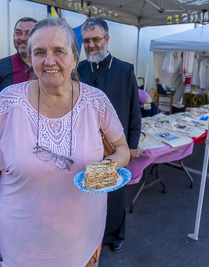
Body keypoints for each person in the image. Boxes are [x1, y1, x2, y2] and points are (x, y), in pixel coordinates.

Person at [0, 17, 130, 266]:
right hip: (18, 247)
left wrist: (107, 167)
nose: (49, 61)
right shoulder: (7, 102)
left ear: (74, 58)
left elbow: (122, 149)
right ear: (30, 59)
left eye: (59, 51)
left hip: (82, 242)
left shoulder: (96, 101)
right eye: (39, 52)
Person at [77, 17, 141, 253]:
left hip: (115, 147)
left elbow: (135, 109)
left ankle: (114, 234)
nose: (91, 45)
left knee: (113, 192)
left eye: (96, 39)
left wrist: (132, 144)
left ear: (107, 39)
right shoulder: (79, 70)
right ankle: (91, 233)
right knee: (87, 192)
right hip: (84, 145)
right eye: (86, 41)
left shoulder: (125, 70)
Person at [0, 17, 37, 128]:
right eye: (18, 33)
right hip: (8, 138)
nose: (22, 38)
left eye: (29, 33)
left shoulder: (47, 68)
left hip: (42, 139)